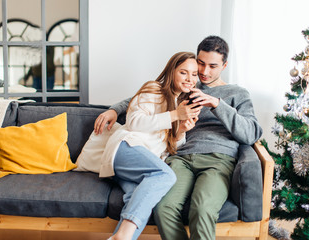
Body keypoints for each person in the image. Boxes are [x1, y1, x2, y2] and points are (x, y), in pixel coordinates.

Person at [94, 36, 263, 240]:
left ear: (224, 65)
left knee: (202, 209)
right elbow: (146, 95)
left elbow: (252, 132)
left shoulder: (237, 93)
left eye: (212, 66)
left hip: (218, 159)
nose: (204, 72)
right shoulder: (187, 85)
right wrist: (114, 110)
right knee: (164, 208)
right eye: (201, 63)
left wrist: (217, 104)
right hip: (180, 157)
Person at [94, 51, 201, 240]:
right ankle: (124, 236)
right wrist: (175, 115)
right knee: (166, 175)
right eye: (184, 72)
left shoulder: (180, 103)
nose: (190, 79)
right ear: (172, 71)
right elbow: (134, 122)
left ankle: (120, 237)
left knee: (137, 199)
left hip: (142, 161)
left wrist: (181, 129)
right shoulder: (153, 89)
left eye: (194, 74)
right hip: (126, 147)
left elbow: (168, 146)